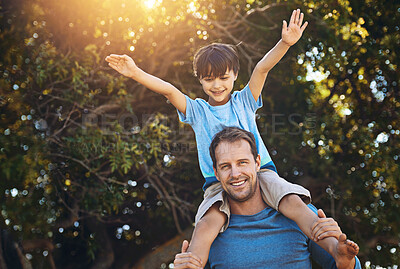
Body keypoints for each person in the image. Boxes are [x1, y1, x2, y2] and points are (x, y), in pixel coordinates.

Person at [105, 9, 351, 268]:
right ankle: (193, 264)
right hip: (216, 183)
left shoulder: (244, 101)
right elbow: (168, 89)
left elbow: (262, 68)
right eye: (209, 79)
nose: (217, 85)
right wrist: (135, 72)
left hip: (261, 173)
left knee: (292, 202)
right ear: (200, 80)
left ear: (234, 74)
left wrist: (285, 43)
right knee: (208, 222)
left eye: (223, 77)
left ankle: (336, 249)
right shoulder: (198, 111)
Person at [174, 127, 360, 269]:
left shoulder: (300, 214)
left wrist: (347, 263)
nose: (235, 173)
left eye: (242, 163)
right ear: (216, 172)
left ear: (257, 163)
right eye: (225, 166)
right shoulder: (211, 230)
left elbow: (341, 262)